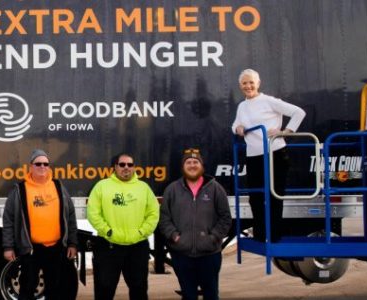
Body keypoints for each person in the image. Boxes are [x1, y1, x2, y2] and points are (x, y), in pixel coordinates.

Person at [231, 68, 306, 242]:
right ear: (240, 86)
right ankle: (260, 234)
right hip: (254, 156)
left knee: (274, 195)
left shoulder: (269, 101)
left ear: (258, 83)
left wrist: (285, 131)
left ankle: (274, 235)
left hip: (275, 153)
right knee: (255, 197)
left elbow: (299, 112)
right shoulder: (242, 106)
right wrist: (238, 128)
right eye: (244, 83)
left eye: (251, 82)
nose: (248, 86)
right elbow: (235, 124)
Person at [2, 149, 78, 300]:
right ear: (30, 167)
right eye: (38, 164)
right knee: (27, 288)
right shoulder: (20, 190)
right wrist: (8, 247)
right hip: (31, 250)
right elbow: (8, 220)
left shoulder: (58, 187)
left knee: (55, 289)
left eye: (45, 164)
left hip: (56, 249)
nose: (42, 166)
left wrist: (72, 243)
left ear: (49, 167)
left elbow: (70, 216)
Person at [158, 148, 232, 300]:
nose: (192, 165)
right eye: (188, 162)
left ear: (202, 166)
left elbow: (225, 217)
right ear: (183, 167)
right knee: (188, 295)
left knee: (211, 294)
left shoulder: (215, 188)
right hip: (182, 254)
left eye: (195, 162)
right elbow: (164, 218)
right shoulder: (172, 190)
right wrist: (175, 236)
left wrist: (213, 238)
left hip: (209, 254)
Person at [87, 153, 160, 300]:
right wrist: (107, 231)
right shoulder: (102, 186)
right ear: (115, 167)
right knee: (104, 290)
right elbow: (93, 213)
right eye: (122, 164)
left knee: (139, 290)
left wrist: (142, 232)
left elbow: (153, 213)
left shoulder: (143, 188)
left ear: (133, 168)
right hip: (108, 246)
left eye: (130, 165)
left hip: (137, 246)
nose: (126, 167)